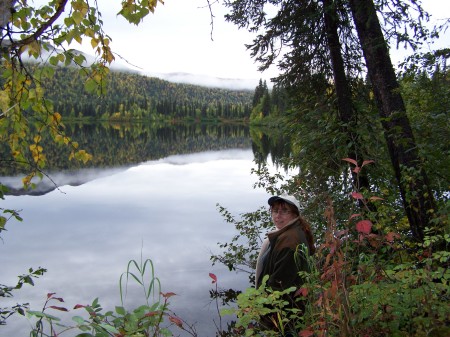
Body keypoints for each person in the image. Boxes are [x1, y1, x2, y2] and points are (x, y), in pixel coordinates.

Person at [255, 195, 316, 334]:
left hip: (283, 316)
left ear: (295, 214)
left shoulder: (289, 241)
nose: (278, 215)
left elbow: (279, 285)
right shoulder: (289, 232)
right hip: (289, 312)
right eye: (275, 211)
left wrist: (260, 309)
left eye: (284, 211)